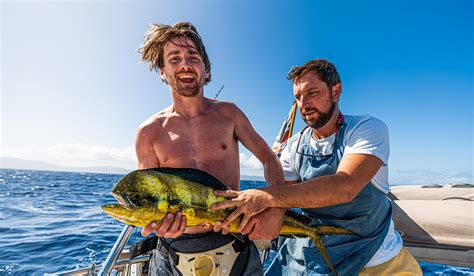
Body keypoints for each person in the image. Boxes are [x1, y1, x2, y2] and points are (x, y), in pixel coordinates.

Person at [212, 59, 423, 275]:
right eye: (298, 97)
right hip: (318, 258)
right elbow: (281, 200)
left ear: (336, 91)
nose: (303, 104)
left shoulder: (366, 129)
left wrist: (264, 196)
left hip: (377, 260)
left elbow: (345, 186)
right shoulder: (293, 146)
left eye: (312, 93)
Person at [134, 22, 285, 275]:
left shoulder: (230, 114)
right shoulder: (149, 132)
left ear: (206, 69)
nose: (185, 64)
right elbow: (147, 200)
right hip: (174, 251)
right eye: (174, 58)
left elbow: (270, 160)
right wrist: (157, 225)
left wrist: (277, 208)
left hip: (235, 242)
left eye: (193, 57)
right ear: (162, 71)